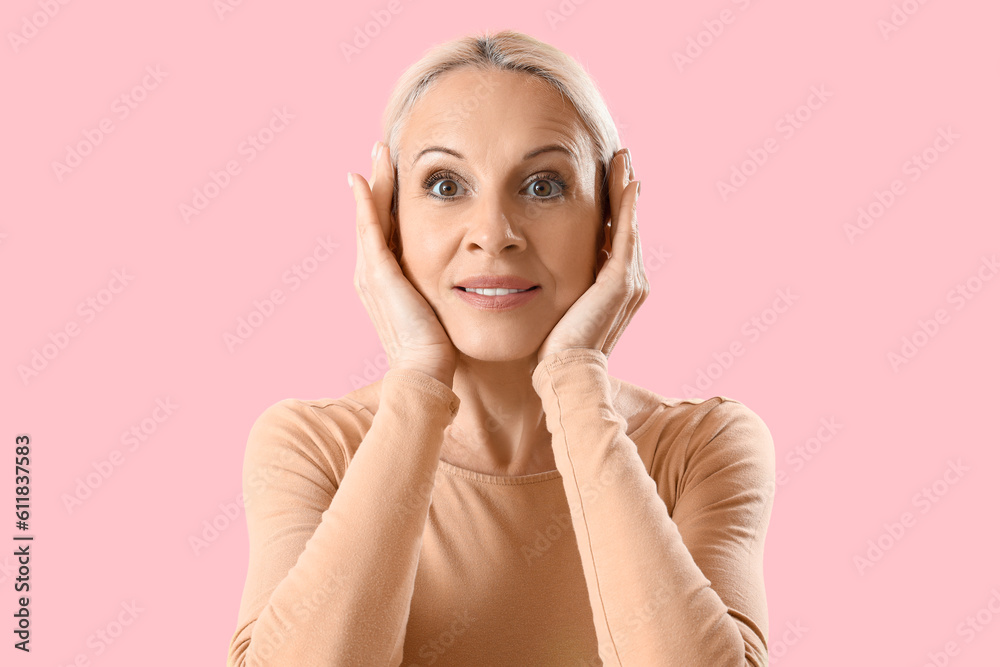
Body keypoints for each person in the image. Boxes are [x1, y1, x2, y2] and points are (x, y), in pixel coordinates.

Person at [227, 29, 775, 667]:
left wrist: (575, 377)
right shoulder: (311, 446)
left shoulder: (702, 447)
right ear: (387, 221)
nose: (493, 234)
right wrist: (418, 378)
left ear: (611, 220)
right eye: (445, 185)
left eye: (543, 185)